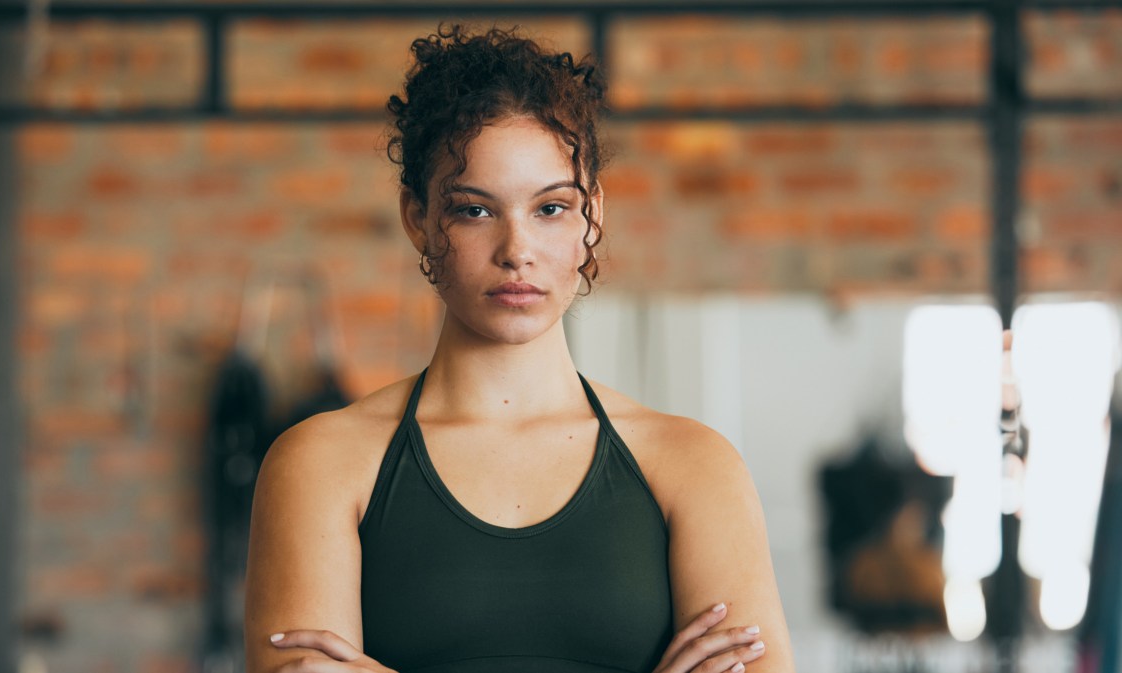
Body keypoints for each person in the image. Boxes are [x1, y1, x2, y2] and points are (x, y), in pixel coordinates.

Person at [244, 25, 795, 673]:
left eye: (551, 209)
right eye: (475, 210)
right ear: (417, 218)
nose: (517, 251)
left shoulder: (696, 468)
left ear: (593, 217)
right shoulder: (320, 465)